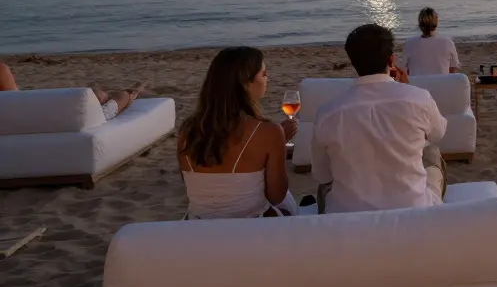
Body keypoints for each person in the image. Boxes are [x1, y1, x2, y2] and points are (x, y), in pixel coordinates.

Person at [312, 24, 448, 213]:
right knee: (432, 152)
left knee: (325, 186)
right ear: (391, 59)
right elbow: (438, 133)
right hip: (413, 212)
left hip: (349, 219)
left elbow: (322, 175)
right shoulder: (418, 99)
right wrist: (406, 90)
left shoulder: (328, 113)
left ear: (353, 62)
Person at [177, 47, 298, 218]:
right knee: (289, 206)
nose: (267, 79)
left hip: (199, 227)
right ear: (245, 82)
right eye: (263, 74)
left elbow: (193, 185)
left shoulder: (188, 129)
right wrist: (279, 144)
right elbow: (276, 196)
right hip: (251, 230)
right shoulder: (269, 132)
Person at [0, 60, 145, 121]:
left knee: (95, 94)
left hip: (43, 112)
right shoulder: (2, 70)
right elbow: (16, 104)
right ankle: (131, 93)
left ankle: (117, 94)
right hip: (68, 117)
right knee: (116, 97)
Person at [401, 7, 461, 76]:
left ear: (419, 25)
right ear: (436, 23)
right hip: (442, 85)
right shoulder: (447, 42)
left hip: (417, 85)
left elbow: (405, 69)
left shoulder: (409, 43)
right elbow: (452, 70)